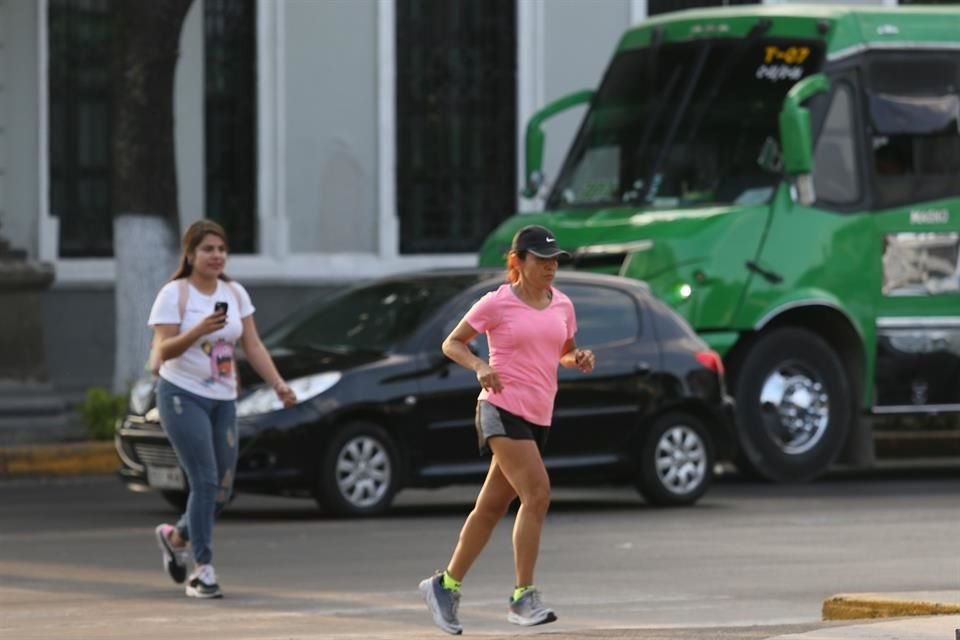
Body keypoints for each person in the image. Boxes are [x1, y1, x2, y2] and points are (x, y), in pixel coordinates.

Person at [419, 225, 595, 634]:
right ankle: (522, 597)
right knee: (537, 493)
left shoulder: (563, 305)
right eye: (541, 259)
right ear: (517, 261)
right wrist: (481, 367)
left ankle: (444, 586)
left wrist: (577, 358)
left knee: (492, 507)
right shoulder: (497, 302)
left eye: (554, 260)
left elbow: (564, 352)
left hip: (537, 415)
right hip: (500, 409)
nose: (550, 267)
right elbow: (453, 343)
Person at [148, 219, 296, 599]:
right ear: (190, 254)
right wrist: (198, 329)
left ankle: (177, 534)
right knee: (204, 479)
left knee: (223, 488)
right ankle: (204, 570)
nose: (216, 256)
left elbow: (254, 346)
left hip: (224, 398)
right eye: (207, 249)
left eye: (221, 249)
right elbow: (162, 351)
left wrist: (279, 386)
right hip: (182, 394)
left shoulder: (234, 292)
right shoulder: (174, 294)